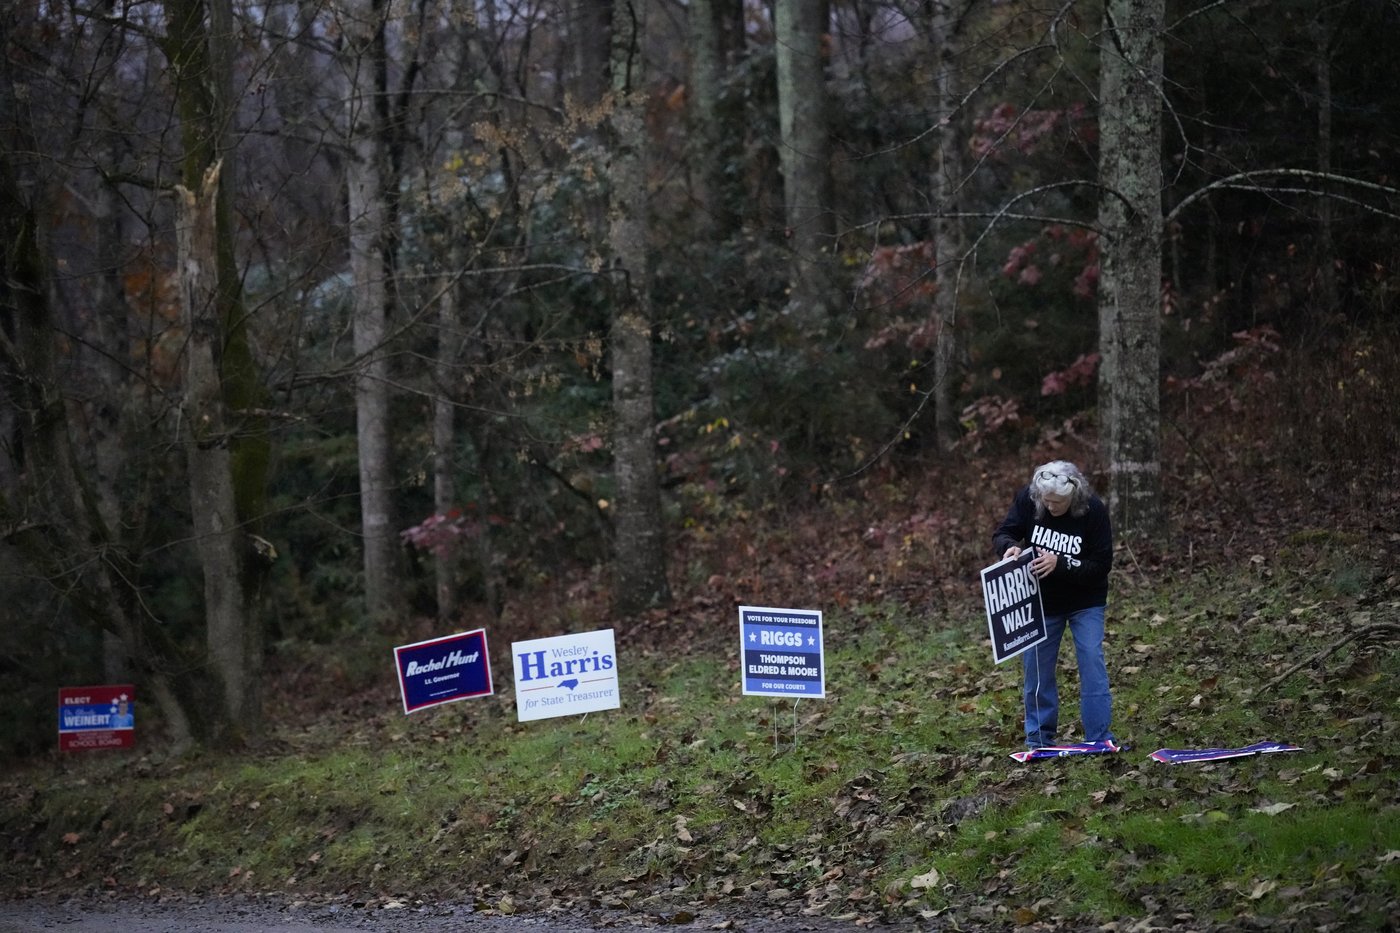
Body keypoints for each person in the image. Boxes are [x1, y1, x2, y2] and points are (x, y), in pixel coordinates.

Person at [992, 460, 1115, 749]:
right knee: (1037, 669)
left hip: (1086, 600)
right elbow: (1003, 532)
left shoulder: (1093, 510)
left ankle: (1099, 737)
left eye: (1058, 502)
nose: (1051, 507)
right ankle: (1039, 738)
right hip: (1042, 602)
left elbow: (1101, 565)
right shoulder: (1029, 498)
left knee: (1091, 661)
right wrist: (1009, 547)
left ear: (1074, 495)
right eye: (1046, 501)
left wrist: (1061, 564)